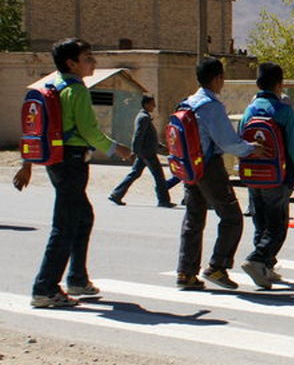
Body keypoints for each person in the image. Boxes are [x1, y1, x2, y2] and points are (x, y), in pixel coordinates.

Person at [15, 38, 133, 308]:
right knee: (65, 224)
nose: (93, 62)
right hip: (72, 160)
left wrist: (27, 162)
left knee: (82, 217)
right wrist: (117, 148)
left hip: (57, 160)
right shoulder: (76, 91)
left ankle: (77, 279)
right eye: (88, 57)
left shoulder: (53, 85)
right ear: (72, 63)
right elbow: (89, 130)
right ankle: (45, 288)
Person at [175, 57, 262, 291]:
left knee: (193, 219)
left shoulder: (188, 102)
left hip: (190, 165)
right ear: (217, 79)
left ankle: (186, 272)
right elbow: (227, 142)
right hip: (209, 167)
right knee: (232, 217)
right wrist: (251, 149)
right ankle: (217, 266)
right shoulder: (210, 106)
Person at [239, 62, 294, 289]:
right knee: (277, 226)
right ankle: (257, 260)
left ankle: (265, 268)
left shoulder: (249, 110)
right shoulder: (283, 111)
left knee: (261, 223)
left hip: (253, 175)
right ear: (279, 84)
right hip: (277, 176)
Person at [108, 94, 176, 208]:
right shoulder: (143, 118)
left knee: (134, 174)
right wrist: (134, 152)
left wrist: (161, 148)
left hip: (144, 152)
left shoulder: (144, 117)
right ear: (146, 104)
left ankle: (116, 194)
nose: (154, 106)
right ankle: (163, 200)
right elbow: (138, 136)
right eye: (152, 104)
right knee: (158, 176)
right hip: (147, 153)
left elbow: (148, 137)